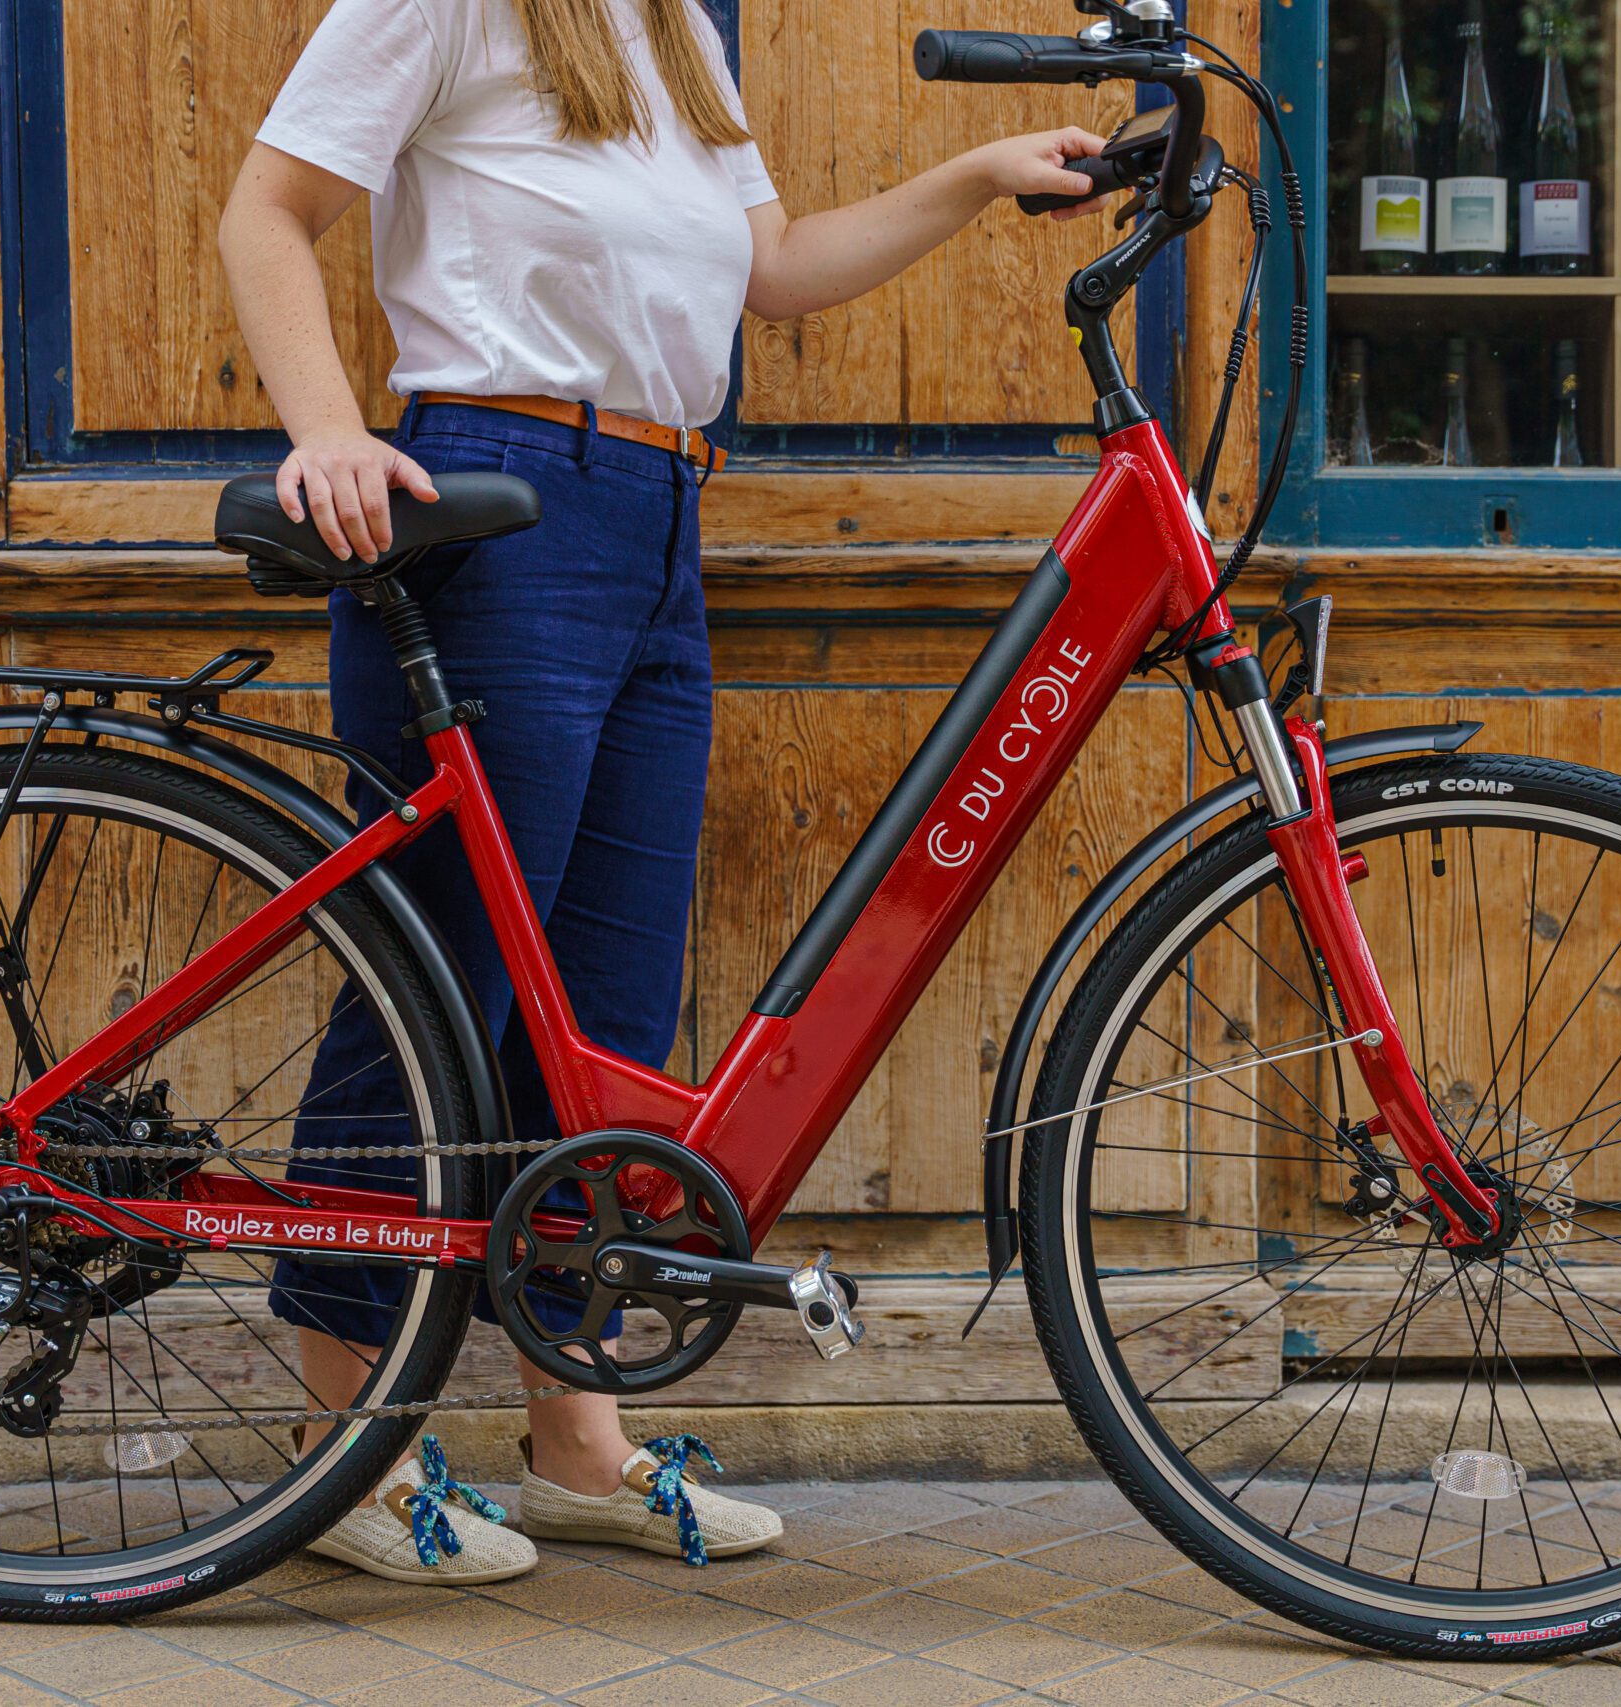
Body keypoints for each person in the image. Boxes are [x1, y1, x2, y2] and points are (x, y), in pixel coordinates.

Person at [217, 0, 1107, 1586]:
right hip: (498, 508)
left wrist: (979, 175)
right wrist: (329, 433)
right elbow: (265, 211)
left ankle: (576, 1442)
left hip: (659, 512)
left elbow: (777, 268)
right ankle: (345, 1451)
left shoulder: (675, 31)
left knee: (605, 1019)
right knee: (435, 994)